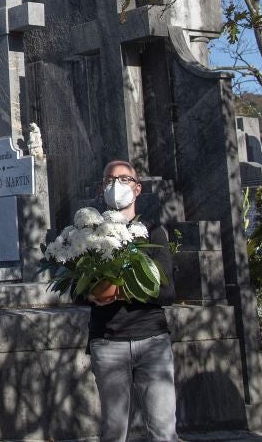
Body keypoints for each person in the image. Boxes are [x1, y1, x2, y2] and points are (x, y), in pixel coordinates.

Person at [87, 160, 177, 442]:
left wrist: (119, 291)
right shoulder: (90, 234)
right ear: (101, 189)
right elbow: (76, 289)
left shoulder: (153, 232)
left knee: (163, 432)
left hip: (152, 340)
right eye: (109, 180)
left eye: (124, 179)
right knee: (114, 433)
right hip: (108, 342)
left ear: (137, 189)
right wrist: (90, 293)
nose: (116, 185)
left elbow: (166, 292)